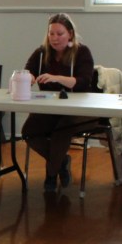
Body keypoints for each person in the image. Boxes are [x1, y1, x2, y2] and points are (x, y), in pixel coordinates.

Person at [22, 13, 98, 193]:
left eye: (59, 34)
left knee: (61, 131)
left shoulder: (82, 52)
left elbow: (83, 82)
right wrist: (29, 78)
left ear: (70, 34)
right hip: (50, 107)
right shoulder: (41, 53)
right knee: (28, 132)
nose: (54, 38)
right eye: (51, 34)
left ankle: (50, 176)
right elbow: (28, 71)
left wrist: (57, 78)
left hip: (78, 108)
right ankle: (61, 161)